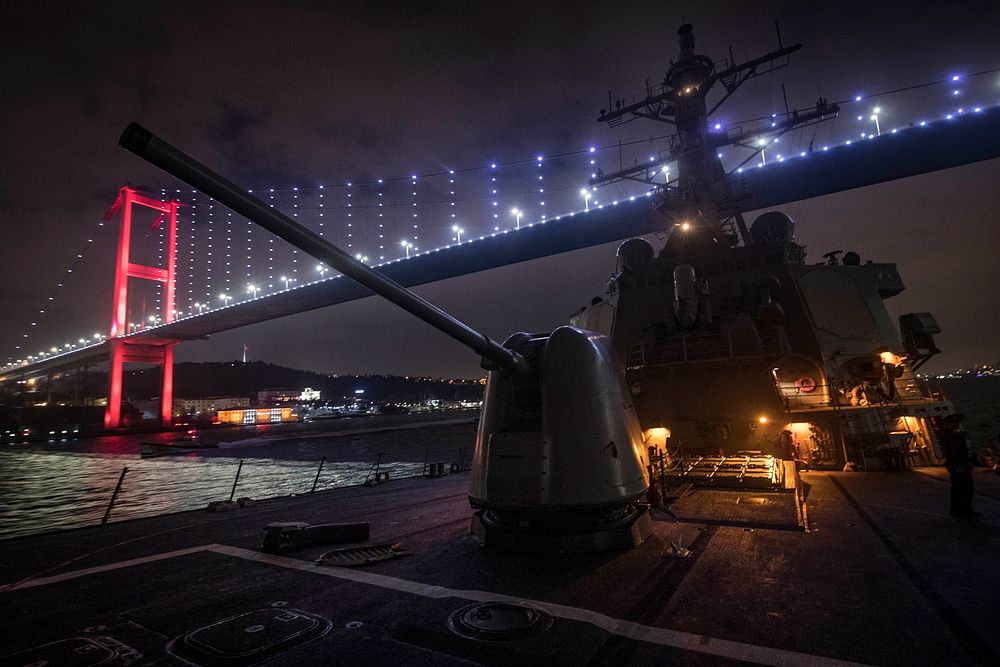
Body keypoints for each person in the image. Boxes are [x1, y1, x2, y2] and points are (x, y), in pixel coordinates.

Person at [938, 414, 980, 518]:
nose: (956, 425)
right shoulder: (947, 436)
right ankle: (958, 510)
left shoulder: (953, 434)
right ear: (948, 425)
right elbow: (953, 450)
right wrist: (958, 465)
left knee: (967, 487)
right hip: (957, 463)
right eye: (954, 423)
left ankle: (966, 509)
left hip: (961, 462)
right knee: (959, 488)